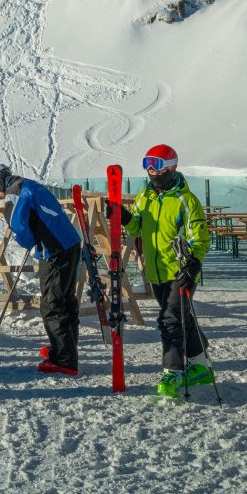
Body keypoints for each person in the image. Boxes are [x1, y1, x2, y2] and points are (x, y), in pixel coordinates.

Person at [106, 143, 212, 399]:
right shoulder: (146, 197)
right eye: (147, 165)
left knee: (169, 319)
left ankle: (173, 370)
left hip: (180, 270)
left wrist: (194, 262)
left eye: (157, 165)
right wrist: (124, 216)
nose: (152, 171)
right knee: (181, 317)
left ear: (171, 168)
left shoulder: (186, 201)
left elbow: (200, 237)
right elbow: (137, 229)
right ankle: (201, 366)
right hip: (155, 272)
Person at [0, 163, 82, 376]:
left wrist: (29, 241)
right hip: (70, 243)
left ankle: (64, 359)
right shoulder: (29, 184)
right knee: (66, 300)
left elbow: (19, 228)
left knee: (52, 305)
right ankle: (66, 350)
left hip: (54, 249)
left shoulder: (14, 195)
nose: (0, 197)